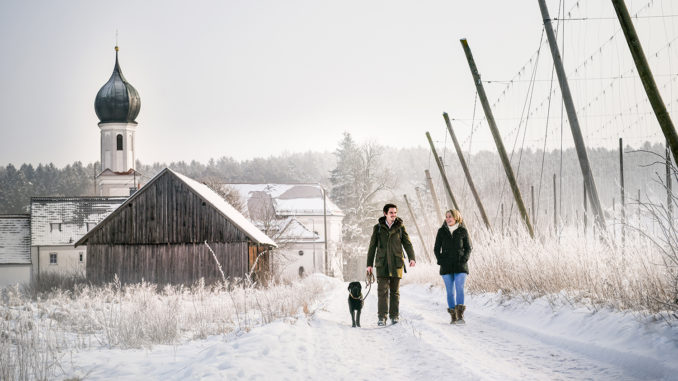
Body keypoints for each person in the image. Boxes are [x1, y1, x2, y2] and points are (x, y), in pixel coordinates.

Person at [366, 203, 416, 326]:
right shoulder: (377, 228)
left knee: (395, 292)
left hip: (396, 263)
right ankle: (382, 317)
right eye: (391, 213)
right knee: (382, 291)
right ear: (385, 213)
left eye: (395, 212)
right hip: (382, 263)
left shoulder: (400, 227)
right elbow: (372, 246)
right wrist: (369, 264)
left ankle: (394, 316)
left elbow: (407, 243)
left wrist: (412, 257)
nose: (393, 215)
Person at [433, 209, 472, 324]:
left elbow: (468, 248)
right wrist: (441, 260)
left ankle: (460, 316)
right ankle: (453, 317)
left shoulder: (462, 231)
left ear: (456, 217)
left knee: (459, 287)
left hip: (460, 265)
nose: (448, 219)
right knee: (450, 292)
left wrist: (464, 259)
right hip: (446, 266)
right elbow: (436, 248)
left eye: (450, 216)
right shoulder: (441, 231)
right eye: (446, 216)